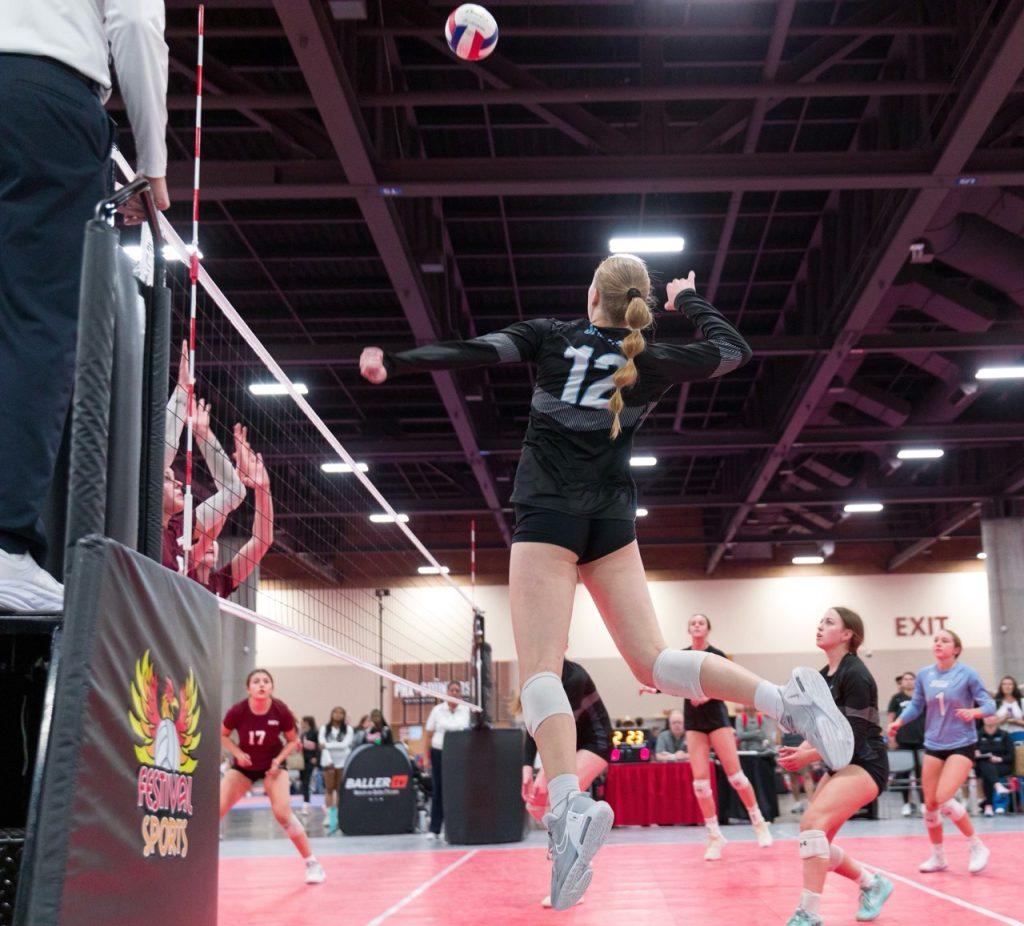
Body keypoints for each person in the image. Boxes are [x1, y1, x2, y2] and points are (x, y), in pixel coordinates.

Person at [360, 258, 854, 909]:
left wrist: (394, 361)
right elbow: (734, 351)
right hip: (612, 522)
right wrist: (693, 301)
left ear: (591, 295)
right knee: (655, 660)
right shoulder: (649, 357)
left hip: (547, 516)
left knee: (539, 670)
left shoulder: (550, 336)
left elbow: (475, 351)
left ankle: (567, 806)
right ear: (638, 304)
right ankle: (784, 701)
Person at [0, 0, 169, 612]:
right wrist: (153, 165)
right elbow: (137, 24)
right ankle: (5, 547)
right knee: (39, 320)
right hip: (46, 103)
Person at [781, 608, 893, 926]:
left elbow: (854, 737)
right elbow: (820, 728)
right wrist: (801, 749)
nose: (820, 626)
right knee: (819, 844)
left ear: (847, 635)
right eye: (820, 621)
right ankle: (873, 884)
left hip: (866, 764)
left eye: (829, 622)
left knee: (811, 823)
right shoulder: (821, 677)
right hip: (839, 764)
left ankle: (809, 913)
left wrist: (809, 756)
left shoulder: (855, 674)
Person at [888, 629, 996, 874]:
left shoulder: (967, 673)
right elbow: (916, 705)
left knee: (944, 798)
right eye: (936, 640)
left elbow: (989, 704)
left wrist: (975, 712)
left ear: (956, 649)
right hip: (934, 744)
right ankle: (939, 857)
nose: (938, 643)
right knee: (930, 805)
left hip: (961, 743)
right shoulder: (925, 674)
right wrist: (899, 722)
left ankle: (977, 845)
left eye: (944, 640)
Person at [676, 613, 772, 857]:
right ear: (689, 629)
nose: (697, 625)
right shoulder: (682, 656)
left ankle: (758, 822)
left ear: (708, 629)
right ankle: (714, 835)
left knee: (736, 776)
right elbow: (668, 680)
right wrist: (652, 687)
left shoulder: (716, 655)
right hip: (694, 722)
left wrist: (707, 694)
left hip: (717, 720)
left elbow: (728, 684)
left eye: (701, 623)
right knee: (699, 783)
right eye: (693, 623)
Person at [519, 658, 612, 909]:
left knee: (556, 800)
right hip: (566, 748)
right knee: (535, 805)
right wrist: (527, 768)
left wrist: (546, 775)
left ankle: (571, 876)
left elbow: (560, 731)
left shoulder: (574, 677)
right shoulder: (534, 674)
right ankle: (577, 855)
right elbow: (534, 728)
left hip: (596, 743)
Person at [220, 668, 325, 884]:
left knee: (283, 815)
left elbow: (293, 741)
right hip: (245, 766)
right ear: (248, 688)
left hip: (273, 766)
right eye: (256, 681)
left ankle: (313, 864)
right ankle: (191, 864)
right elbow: (222, 735)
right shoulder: (238, 711)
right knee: (214, 811)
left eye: (266, 681)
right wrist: (237, 753)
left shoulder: (280, 710)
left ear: (272, 687)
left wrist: (278, 761)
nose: (261, 684)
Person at [189, 428, 274, 597]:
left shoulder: (220, 583)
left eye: (214, 542)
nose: (210, 544)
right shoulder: (183, 573)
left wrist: (263, 489)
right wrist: (239, 474)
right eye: (200, 539)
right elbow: (212, 532)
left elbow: (262, 541)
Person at [424, 681, 473, 842]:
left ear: (460, 693)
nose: (454, 692)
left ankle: (453, 828)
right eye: (451, 690)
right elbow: (428, 734)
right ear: (447, 692)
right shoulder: (437, 711)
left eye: (457, 690)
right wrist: (425, 757)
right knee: (438, 790)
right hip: (439, 753)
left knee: (457, 791)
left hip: (459, 756)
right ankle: (434, 829)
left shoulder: (466, 710)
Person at [886, 671, 926, 816]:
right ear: (901, 683)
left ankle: (923, 803)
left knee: (923, 774)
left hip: (921, 741)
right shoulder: (896, 699)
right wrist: (891, 738)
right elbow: (890, 719)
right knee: (903, 774)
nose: (908, 682)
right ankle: (907, 804)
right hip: (903, 741)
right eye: (905, 679)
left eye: (911, 679)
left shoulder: (922, 697)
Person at [319, 706, 355, 836]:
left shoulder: (348, 730)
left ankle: (340, 815)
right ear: (331, 714)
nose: (338, 715)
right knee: (329, 788)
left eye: (341, 713)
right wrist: (328, 758)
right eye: (336, 712)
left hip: (343, 761)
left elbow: (344, 745)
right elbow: (321, 745)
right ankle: (328, 816)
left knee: (340, 789)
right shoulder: (324, 728)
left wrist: (327, 745)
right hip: (328, 762)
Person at [975, 715, 1014, 816]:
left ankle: (988, 806)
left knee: (987, 771)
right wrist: (975, 752)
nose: (989, 718)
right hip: (982, 765)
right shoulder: (977, 735)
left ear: (997, 719)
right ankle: (998, 789)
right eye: (986, 716)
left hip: (1001, 765)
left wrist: (999, 759)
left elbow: (1011, 756)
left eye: (991, 716)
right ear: (983, 719)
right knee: (985, 764)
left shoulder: (1004, 735)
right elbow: (971, 754)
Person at [298, 716, 319, 817]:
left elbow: (319, 746)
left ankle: (306, 804)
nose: (302, 724)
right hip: (303, 761)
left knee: (307, 781)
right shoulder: (303, 734)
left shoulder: (315, 732)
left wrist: (316, 757)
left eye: (303, 722)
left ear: (308, 722)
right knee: (303, 782)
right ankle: (306, 802)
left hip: (311, 760)